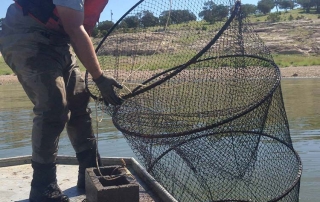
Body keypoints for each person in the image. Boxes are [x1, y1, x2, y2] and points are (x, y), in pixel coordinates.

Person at [0, 0, 122, 201]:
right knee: (53, 107)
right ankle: (43, 186)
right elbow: (75, 28)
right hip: (28, 35)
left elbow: (77, 30)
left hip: (60, 41)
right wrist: (99, 77)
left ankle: (90, 169)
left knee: (79, 101)